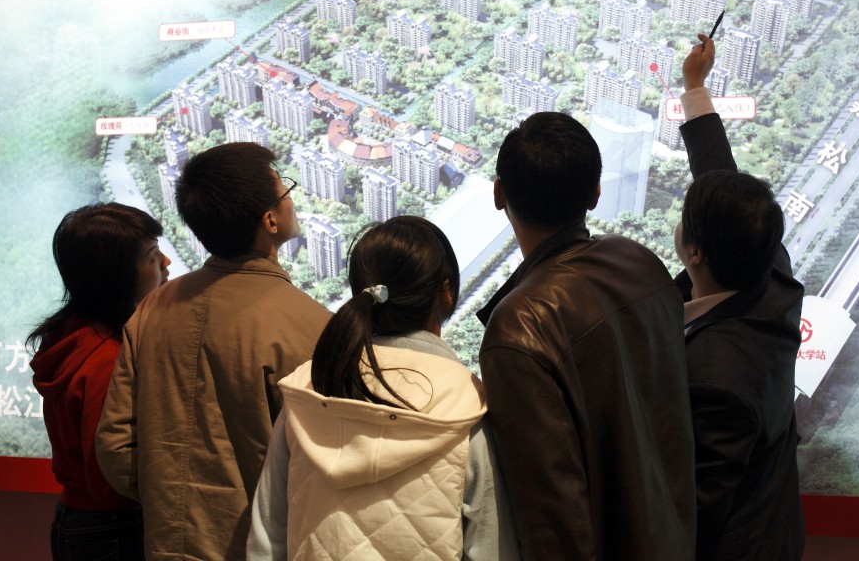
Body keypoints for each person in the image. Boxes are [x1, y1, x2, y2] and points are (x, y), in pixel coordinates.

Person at [476, 111, 697, 560]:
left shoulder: (519, 325)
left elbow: (552, 516)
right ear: (595, 194)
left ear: (499, 194)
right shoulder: (641, 264)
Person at [96, 142, 332, 560]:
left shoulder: (154, 307)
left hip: (169, 544)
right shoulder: (312, 325)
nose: (292, 198)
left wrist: (171, 501)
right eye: (285, 190)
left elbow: (116, 446)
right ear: (270, 219)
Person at [248, 216, 518, 561]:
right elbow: (491, 548)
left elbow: (265, 541)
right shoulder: (468, 408)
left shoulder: (307, 394)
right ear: (446, 292)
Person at [675, 34, 805, 560]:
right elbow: (721, 179)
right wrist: (695, 89)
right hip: (777, 519)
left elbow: (700, 506)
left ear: (696, 253)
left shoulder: (715, 374)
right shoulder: (770, 272)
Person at [28, 202, 170, 560]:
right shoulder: (106, 360)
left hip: (84, 521)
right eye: (152, 256)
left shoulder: (72, 334)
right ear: (117, 275)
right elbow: (109, 477)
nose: (166, 263)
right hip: (113, 527)